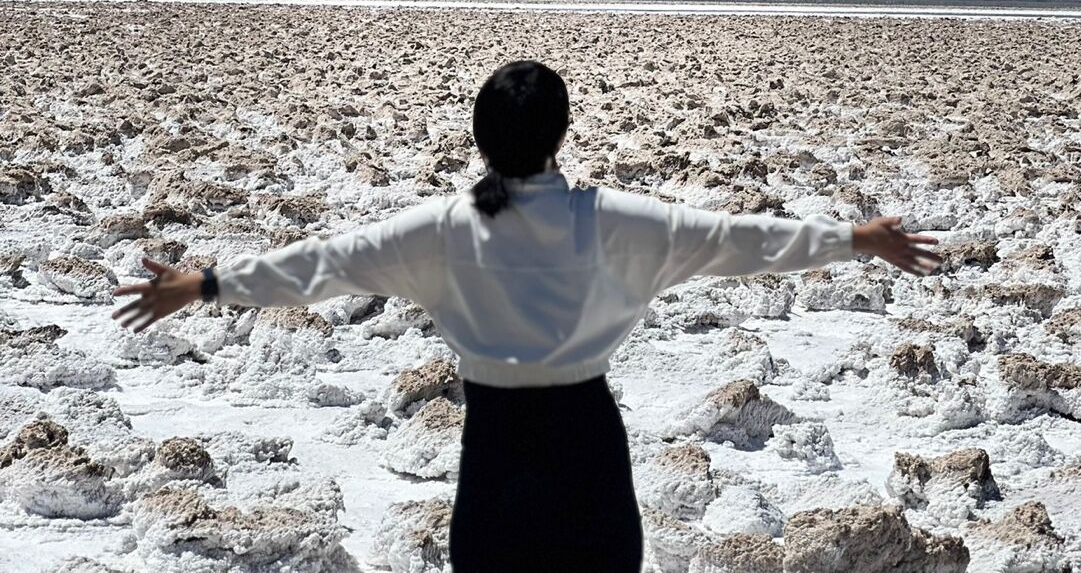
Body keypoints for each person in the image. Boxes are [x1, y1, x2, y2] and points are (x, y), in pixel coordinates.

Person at [112, 58, 941, 573]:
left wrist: (205, 284)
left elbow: (320, 266)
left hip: (496, 446)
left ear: (480, 138)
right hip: (585, 439)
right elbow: (737, 240)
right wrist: (854, 240)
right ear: (560, 135)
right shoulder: (613, 220)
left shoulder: (441, 227)